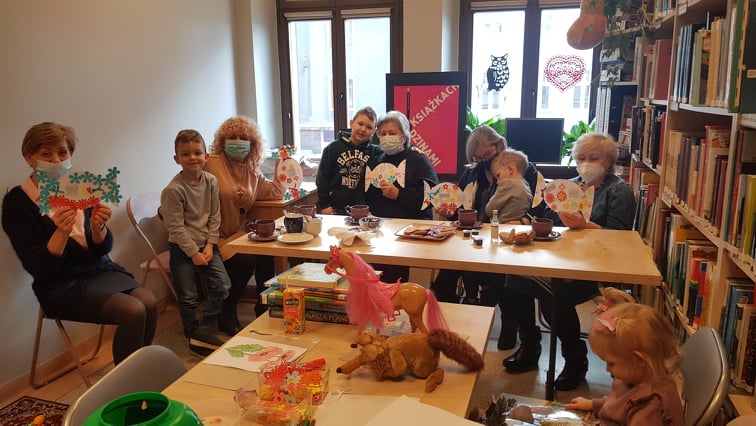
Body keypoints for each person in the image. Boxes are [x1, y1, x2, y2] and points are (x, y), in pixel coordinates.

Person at [2, 122, 158, 365]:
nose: (56, 160)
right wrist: (61, 233)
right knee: (133, 310)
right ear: (29, 158)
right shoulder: (18, 204)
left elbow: (101, 249)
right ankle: (128, 383)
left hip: (98, 270)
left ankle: (141, 369)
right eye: (46, 154)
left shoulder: (77, 188)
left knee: (148, 301)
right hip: (59, 285)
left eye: (62, 152)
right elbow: (38, 268)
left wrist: (98, 228)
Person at [503, 132, 637, 391]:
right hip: (561, 259)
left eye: (594, 158)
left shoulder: (619, 191)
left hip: (597, 265)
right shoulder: (565, 187)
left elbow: (620, 238)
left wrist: (586, 225)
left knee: (554, 294)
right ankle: (530, 345)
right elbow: (541, 216)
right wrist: (521, 222)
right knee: (513, 278)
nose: (586, 163)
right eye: (581, 158)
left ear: (609, 161)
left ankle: (575, 359)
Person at [430, 125, 540, 350]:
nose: (482, 162)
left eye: (486, 155)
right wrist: (449, 212)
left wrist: (523, 222)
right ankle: (450, 325)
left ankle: (512, 325)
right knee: (443, 280)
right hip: (473, 240)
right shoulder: (473, 173)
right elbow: (459, 206)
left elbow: (539, 208)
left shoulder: (525, 169)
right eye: (477, 158)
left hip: (510, 242)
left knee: (510, 279)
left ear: (500, 145)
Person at [205, 116, 284, 327]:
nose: (238, 142)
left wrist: (283, 165)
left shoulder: (252, 171)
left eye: (244, 138)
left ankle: (262, 305)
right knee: (246, 260)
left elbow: (276, 192)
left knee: (266, 251)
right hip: (210, 237)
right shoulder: (209, 163)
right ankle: (227, 311)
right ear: (223, 141)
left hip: (233, 235)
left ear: (253, 144)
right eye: (232, 137)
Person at [563, 287, 684, 425]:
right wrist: (594, 404)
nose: (607, 369)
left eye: (611, 363)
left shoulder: (649, 408)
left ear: (638, 360)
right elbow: (619, 403)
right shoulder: (635, 379)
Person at [161, 129, 232, 356]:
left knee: (222, 286)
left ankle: (203, 327)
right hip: (182, 247)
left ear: (206, 156)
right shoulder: (174, 190)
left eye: (197, 153)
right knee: (188, 296)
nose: (192, 158)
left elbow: (215, 215)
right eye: (186, 154)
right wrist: (193, 253)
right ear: (177, 159)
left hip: (207, 244)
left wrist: (210, 245)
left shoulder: (211, 181)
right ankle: (191, 332)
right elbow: (175, 227)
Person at [364, 111, 439, 283]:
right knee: (378, 281)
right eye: (382, 134)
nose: (386, 137)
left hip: (411, 236)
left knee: (400, 285)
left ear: (404, 136)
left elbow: (430, 197)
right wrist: (366, 211)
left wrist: (399, 194)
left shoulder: (419, 160)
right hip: (379, 234)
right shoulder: (374, 162)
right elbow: (364, 194)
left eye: (392, 133)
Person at [316, 106, 382, 215]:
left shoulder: (376, 152)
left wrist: (410, 148)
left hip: (365, 211)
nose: (363, 129)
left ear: (374, 132)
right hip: (336, 209)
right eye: (360, 124)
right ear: (351, 123)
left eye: (369, 127)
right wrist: (324, 205)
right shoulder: (332, 148)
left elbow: (396, 152)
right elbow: (322, 178)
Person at [484, 148, 533, 223]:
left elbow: (490, 210)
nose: (497, 182)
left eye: (498, 175)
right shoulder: (526, 185)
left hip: (502, 226)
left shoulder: (507, 183)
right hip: (519, 226)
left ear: (510, 169)